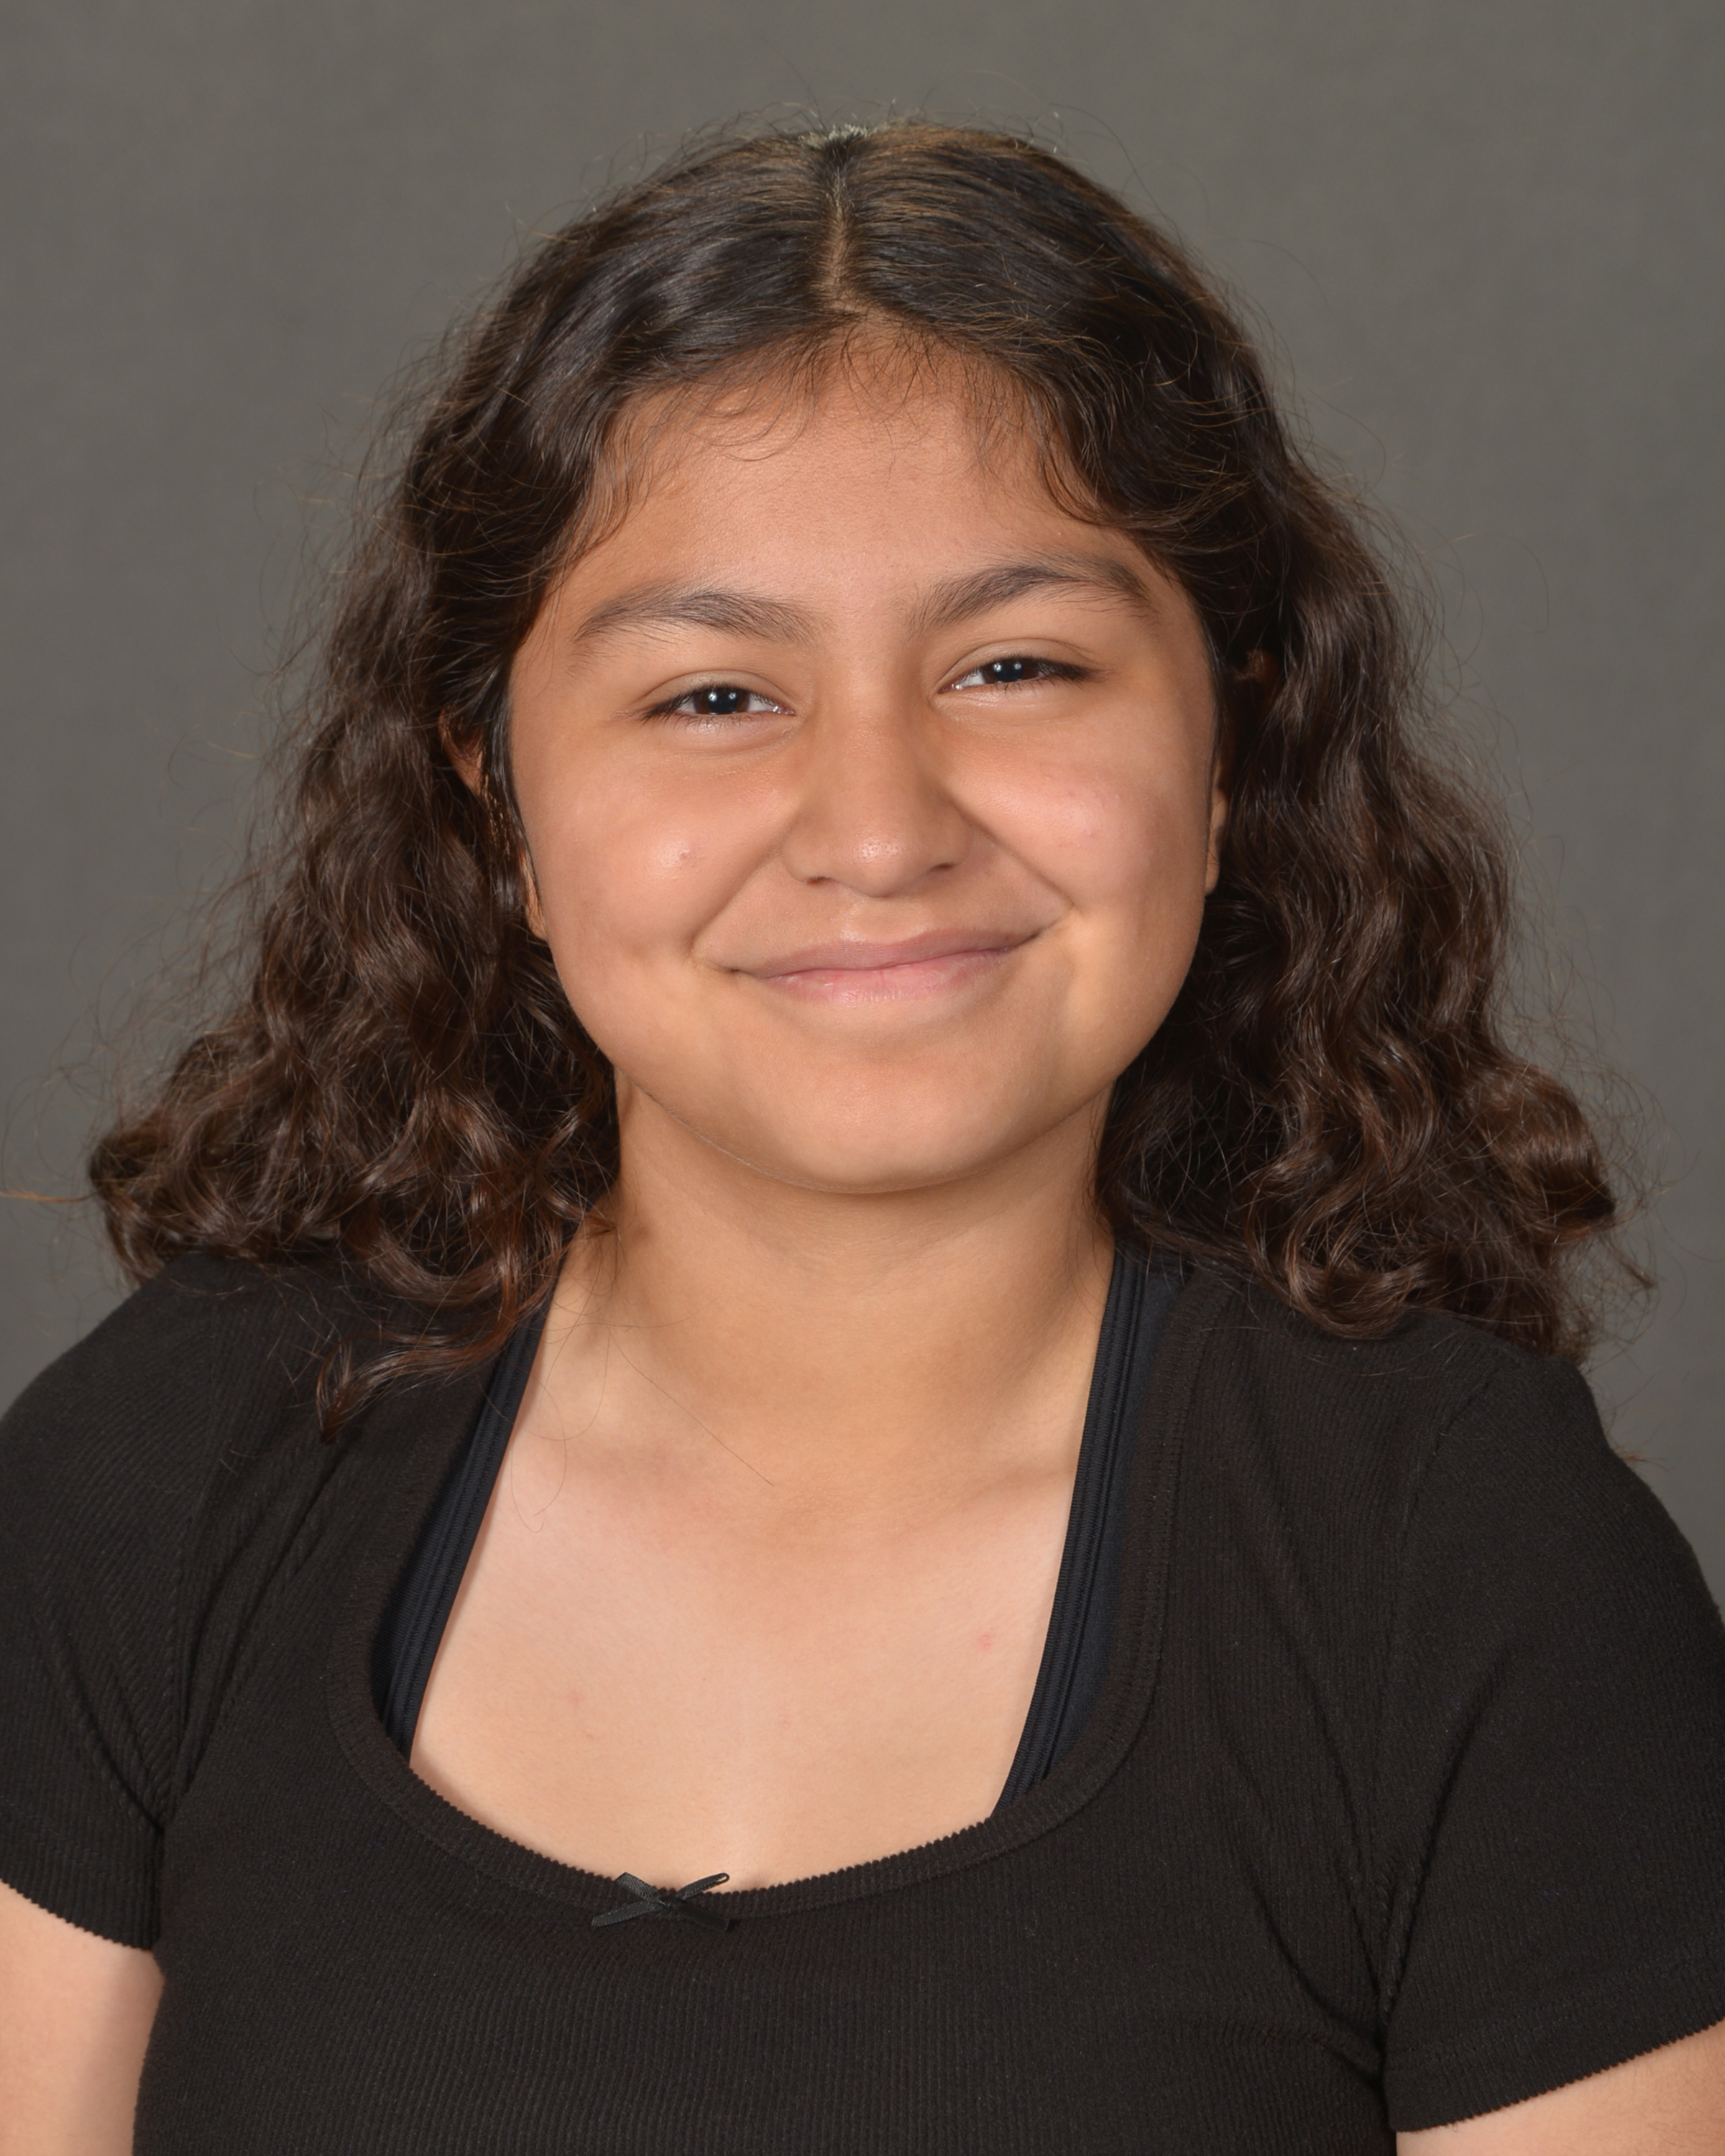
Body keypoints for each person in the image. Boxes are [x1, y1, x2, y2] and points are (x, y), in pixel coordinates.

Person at [1, 119, 1721, 2156]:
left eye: (1017, 666)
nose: (881, 830)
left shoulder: (1473, 1571)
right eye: (714, 697)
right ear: (496, 801)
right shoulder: (170, 1472)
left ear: (1228, 749)